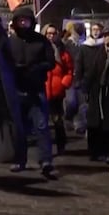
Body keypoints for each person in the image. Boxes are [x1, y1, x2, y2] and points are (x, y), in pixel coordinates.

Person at [8, 7, 57, 178]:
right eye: (20, 20)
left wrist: (35, 68)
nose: (23, 23)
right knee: (19, 128)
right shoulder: (10, 42)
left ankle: (46, 161)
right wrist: (15, 69)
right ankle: (19, 160)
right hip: (17, 89)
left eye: (26, 20)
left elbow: (51, 62)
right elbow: (3, 62)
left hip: (36, 89)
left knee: (41, 126)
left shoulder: (41, 41)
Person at [79, 23, 109, 162]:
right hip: (97, 91)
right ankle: (95, 151)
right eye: (104, 35)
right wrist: (85, 87)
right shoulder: (99, 51)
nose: (105, 38)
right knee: (95, 123)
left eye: (108, 35)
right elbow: (92, 71)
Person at [41, 24, 74, 155]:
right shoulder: (40, 49)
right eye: (48, 33)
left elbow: (69, 70)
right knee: (42, 122)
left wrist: (64, 83)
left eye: (53, 33)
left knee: (58, 121)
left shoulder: (63, 51)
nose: (51, 36)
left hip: (56, 91)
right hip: (42, 89)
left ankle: (61, 145)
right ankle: (45, 149)